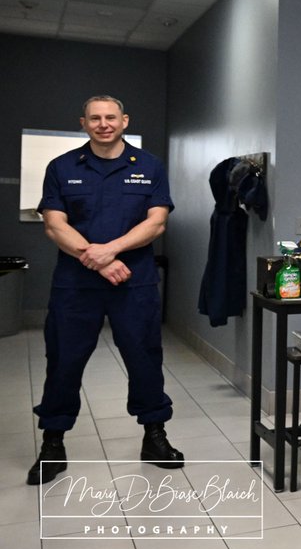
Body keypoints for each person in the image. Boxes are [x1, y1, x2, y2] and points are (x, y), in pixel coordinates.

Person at [28, 95, 184, 486]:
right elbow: (53, 224)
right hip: (76, 283)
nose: (103, 124)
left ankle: (155, 437)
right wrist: (96, 258)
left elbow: (156, 223)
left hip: (133, 280)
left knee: (144, 356)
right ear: (83, 123)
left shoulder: (149, 167)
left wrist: (111, 251)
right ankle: (53, 442)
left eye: (110, 117)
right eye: (94, 118)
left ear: (124, 120)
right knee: (63, 358)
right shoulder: (62, 167)